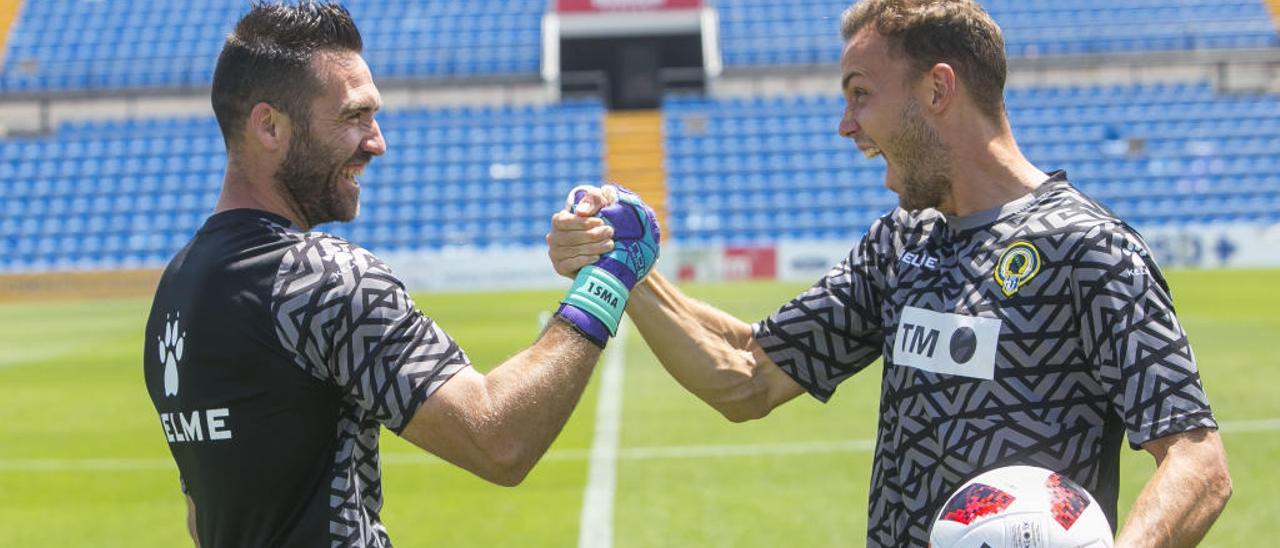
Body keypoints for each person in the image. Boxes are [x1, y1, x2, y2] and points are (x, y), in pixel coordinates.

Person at [548, 0, 1231, 546]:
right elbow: (746, 374)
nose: (846, 124)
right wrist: (623, 264)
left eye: (860, 94)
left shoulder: (1087, 250)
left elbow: (1198, 465)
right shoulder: (904, 241)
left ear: (937, 89)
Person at [141, 3, 657, 546]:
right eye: (353, 116)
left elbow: (203, 517)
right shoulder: (321, 277)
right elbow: (499, 439)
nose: (376, 141)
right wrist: (609, 277)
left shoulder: (176, 288)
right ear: (270, 126)